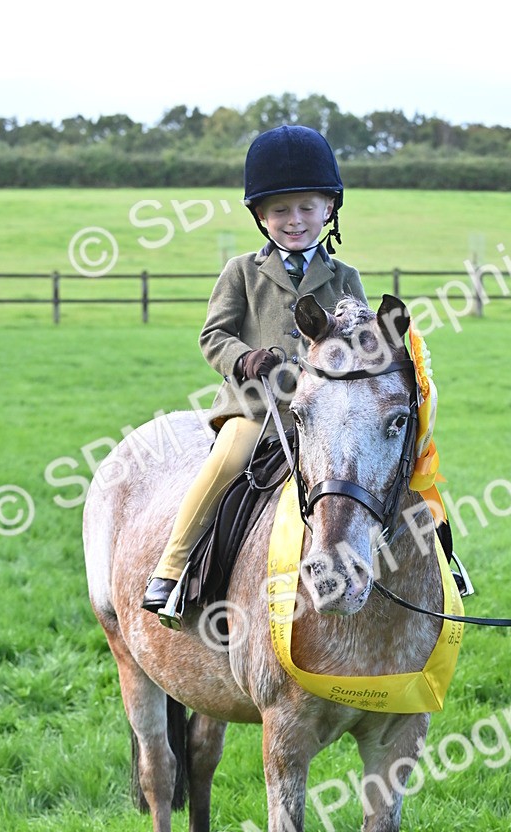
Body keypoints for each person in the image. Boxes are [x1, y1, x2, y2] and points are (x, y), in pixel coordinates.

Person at [142, 125, 367, 616]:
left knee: (379, 467)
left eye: (307, 207)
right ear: (261, 215)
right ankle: (173, 569)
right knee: (225, 463)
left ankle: (437, 556)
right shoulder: (241, 271)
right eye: (281, 210)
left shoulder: (345, 277)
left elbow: (362, 346)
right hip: (256, 409)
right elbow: (212, 336)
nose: (295, 220)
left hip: (325, 413)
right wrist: (243, 359)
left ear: (329, 209)